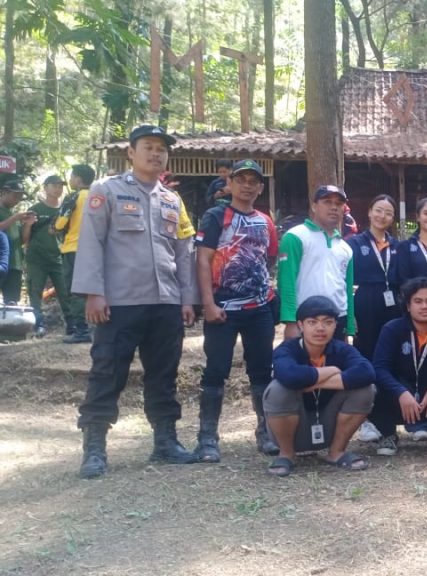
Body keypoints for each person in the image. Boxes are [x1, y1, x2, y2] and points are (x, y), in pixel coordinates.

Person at [74, 124, 200, 479]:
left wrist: (187, 299)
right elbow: (91, 242)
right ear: (131, 152)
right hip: (119, 303)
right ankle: (94, 448)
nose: (156, 153)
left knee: (164, 374)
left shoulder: (172, 200)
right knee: (107, 372)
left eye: (162, 148)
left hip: (166, 303)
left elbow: (183, 251)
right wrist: (94, 292)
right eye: (148, 146)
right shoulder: (106, 191)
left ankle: (166, 442)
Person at [194, 159, 281, 462]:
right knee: (216, 371)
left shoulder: (266, 221)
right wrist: (208, 303)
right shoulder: (216, 216)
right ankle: (207, 438)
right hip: (222, 309)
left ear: (260, 188)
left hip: (259, 309)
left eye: (253, 181)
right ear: (229, 183)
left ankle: (266, 432)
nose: (246, 185)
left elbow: (269, 258)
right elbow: (202, 260)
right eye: (240, 179)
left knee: (262, 371)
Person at [264, 296, 376, 476]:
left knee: (366, 389)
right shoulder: (286, 349)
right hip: (294, 427)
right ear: (300, 325)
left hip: (328, 424)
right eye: (312, 322)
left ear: (335, 325)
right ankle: (286, 454)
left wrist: (310, 383)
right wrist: (332, 370)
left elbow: (367, 372)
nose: (320, 328)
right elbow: (290, 376)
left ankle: (336, 452)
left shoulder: (342, 349)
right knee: (278, 389)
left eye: (327, 322)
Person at [370, 278, 427, 455]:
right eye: (418, 301)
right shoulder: (391, 329)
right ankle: (388, 434)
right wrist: (400, 392)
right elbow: (380, 368)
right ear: (408, 305)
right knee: (371, 389)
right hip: (400, 396)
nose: (424, 306)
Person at [346, 194, 400, 443]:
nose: (382, 216)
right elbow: (345, 280)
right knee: (366, 358)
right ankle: (367, 420)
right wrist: (351, 315)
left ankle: (392, 417)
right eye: (378, 210)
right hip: (365, 304)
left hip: (393, 306)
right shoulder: (354, 243)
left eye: (388, 213)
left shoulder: (397, 246)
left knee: (391, 360)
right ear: (369, 212)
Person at [278, 184, 355, 340]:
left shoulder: (345, 248)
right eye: (327, 202)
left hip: (337, 320)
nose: (334, 207)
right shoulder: (295, 237)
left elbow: (347, 289)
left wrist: (349, 327)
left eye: (339, 203)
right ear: (314, 206)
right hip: (306, 319)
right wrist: (291, 322)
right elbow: (286, 281)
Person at [23, 174, 74, 337]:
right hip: (36, 258)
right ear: (45, 188)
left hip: (59, 257)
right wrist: (28, 225)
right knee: (35, 292)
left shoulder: (65, 209)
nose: (58, 189)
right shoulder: (36, 209)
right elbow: (25, 239)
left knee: (65, 292)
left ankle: (72, 325)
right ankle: (38, 325)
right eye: (54, 185)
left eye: (60, 186)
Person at [54, 164, 96, 343]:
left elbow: (59, 224)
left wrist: (54, 227)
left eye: (72, 177)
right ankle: (98, 328)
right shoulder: (99, 196)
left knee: (76, 290)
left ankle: (82, 331)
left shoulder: (74, 197)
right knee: (94, 289)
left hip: (74, 249)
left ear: (78, 179)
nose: (70, 180)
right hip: (95, 250)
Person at [0, 177, 34, 304]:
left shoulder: (12, 214)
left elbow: (22, 240)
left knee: (12, 303)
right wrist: (15, 218)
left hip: (15, 264)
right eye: (15, 196)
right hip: (1, 262)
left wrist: (28, 225)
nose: (17, 200)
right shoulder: (13, 216)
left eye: (20, 197)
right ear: (4, 192)